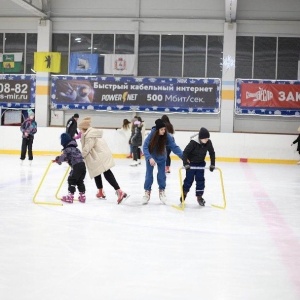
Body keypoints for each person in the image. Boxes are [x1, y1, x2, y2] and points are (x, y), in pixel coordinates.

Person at [78, 117, 128, 204]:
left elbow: (87, 148)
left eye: (80, 129)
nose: (80, 131)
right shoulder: (91, 133)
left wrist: (79, 156)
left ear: (83, 128)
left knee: (106, 172)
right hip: (99, 155)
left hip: (100, 156)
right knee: (97, 171)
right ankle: (100, 191)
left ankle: (119, 191)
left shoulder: (90, 135)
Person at [142, 119, 183, 205]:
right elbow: (145, 147)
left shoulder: (166, 135)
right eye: (162, 130)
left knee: (162, 175)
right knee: (149, 175)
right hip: (151, 157)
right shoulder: (152, 134)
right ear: (157, 130)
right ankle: (147, 192)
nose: (164, 131)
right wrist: (149, 158)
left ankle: (162, 191)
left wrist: (183, 157)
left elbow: (174, 146)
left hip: (161, 156)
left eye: (164, 129)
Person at [181, 127, 215, 206]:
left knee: (200, 180)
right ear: (200, 138)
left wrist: (212, 164)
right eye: (205, 138)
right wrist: (185, 163)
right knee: (189, 180)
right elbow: (185, 153)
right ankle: (184, 193)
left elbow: (212, 153)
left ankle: (199, 196)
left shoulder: (208, 142)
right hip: (191, 164)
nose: (207, 140)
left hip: (200, 164)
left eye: (207, 138)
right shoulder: (193, 143)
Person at [53, 133, 87, 204]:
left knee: (71, 180)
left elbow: (63, 157)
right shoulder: (76, 149)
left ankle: (70, 196)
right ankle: (82, 196)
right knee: (80, 181)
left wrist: (57, 159)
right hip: (83, 166)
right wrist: (60, 161)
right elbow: (69, 158)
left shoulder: (67, 150)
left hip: (76, 166)